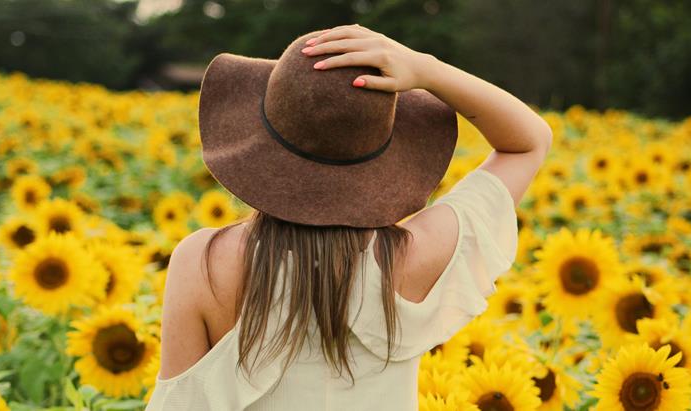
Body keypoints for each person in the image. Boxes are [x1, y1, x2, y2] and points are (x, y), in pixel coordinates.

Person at [145, 23, 552, 411]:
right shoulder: (420, 256)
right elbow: (529, 142)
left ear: (260, 143)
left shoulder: (204, 263)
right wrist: (427, 68)